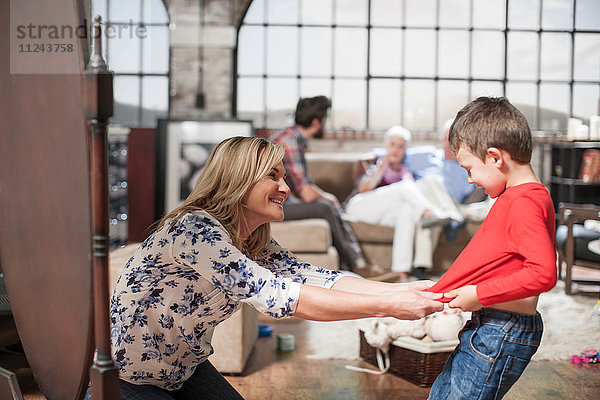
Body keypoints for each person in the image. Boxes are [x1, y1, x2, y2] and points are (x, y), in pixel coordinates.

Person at [96, 137, 443, 399]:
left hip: (182, 370)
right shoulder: (195, 230)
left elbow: (318, 277)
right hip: (125, 378)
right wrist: (390, 306)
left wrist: (406, 290)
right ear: (239, 178)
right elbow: (281, 297)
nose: (285, 187)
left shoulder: (248, 240)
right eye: (272, 176)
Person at [425, 97, 558, 399]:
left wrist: (478, 294)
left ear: (495, 157)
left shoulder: (524, 201)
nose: (470, 180)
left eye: (469, 169)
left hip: (502, 329)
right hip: (491, 325)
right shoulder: (517, 197)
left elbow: (544, 273)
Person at [269, 96, 394, 281]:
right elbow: (307, 193)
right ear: (316, 122)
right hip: (276, 204)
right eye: (325, 120)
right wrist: (330, 198)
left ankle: (355, 266)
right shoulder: (290, 143)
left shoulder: (291, 138)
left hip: (283, 201)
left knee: (329, 205)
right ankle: (358, 264)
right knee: (326, 206)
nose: (325, 125)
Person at [345, 125, 464, 281]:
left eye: (400, 147)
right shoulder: (376, 164)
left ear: (405, 151)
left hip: (382, 213)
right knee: (406, 187)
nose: (395, 150)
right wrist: (382, 167)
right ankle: (430, 212)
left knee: (407, 211)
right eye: (392, 145)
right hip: (359, 207)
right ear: (386, 147)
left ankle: (401, 272)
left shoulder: (405, 171)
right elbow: (363, 188)